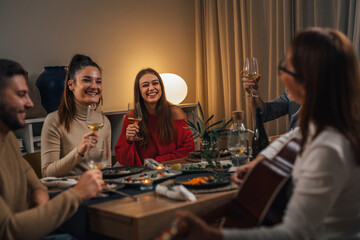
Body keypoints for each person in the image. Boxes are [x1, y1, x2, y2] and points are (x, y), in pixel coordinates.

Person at [173, 27, 360, 239]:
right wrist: (259, 162)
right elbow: (291, 133)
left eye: (286, 68)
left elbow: (293, 234)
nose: (281, 76)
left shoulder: (327, 148)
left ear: (308, 81)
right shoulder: (332, 124)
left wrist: (213, 236)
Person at [0, 59, 104, 239]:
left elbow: (23, 166)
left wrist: (38, 189)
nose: (30, 103)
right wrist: (77, 194)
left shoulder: (6, 136)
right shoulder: (54, 119)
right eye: (21, 94)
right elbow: (9, 229)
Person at [41, 54, 111, 177]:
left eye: (98, 81)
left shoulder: (104, 122)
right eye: (87, 80)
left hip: (97, 190)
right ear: (71, 85)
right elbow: (47, 173)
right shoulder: (53, 120)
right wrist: (78, 151)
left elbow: (106, 168)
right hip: (68, 192)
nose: (94, 86)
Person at [115, 68, 195, 166]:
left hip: (170, 169)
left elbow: (189, 149)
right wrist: (128, 141)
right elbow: (124, 161)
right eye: (145, 85)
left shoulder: (175, 113)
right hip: (143, 175)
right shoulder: (132, 118)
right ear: (139, 91)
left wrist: (158, 161)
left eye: (155, 83)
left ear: (161, 87)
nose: (151, 88)